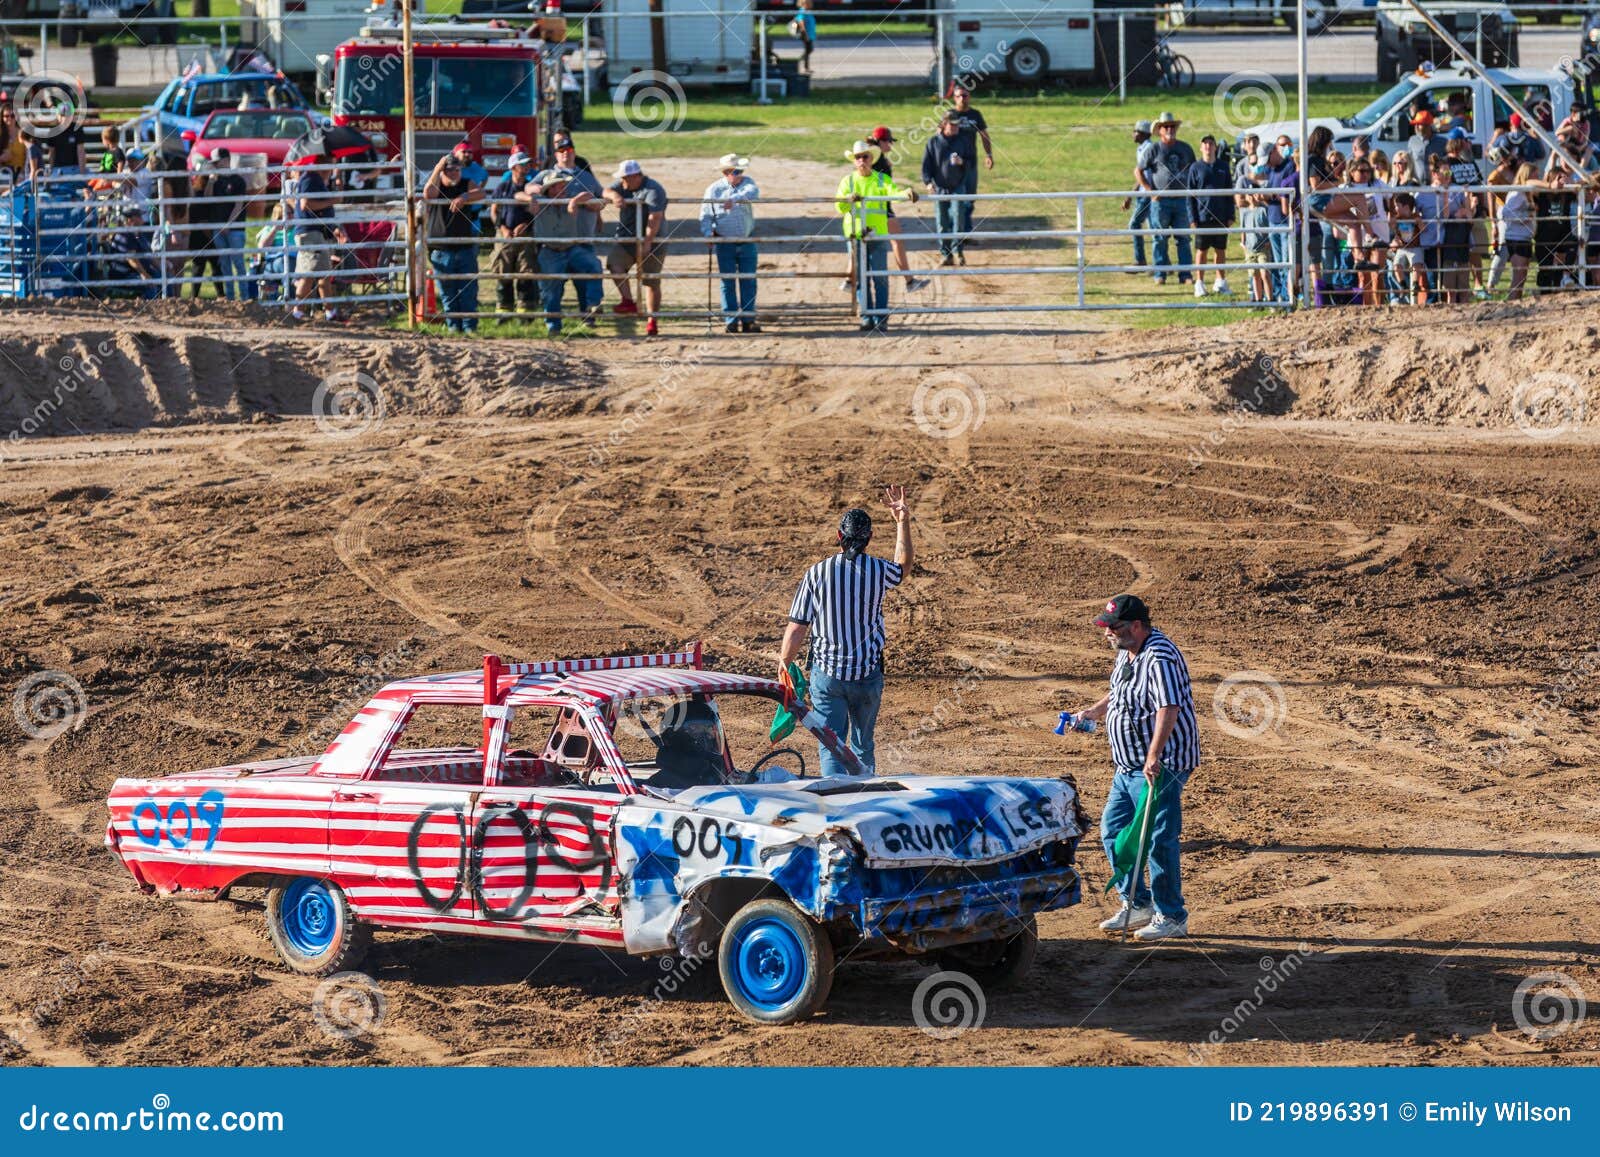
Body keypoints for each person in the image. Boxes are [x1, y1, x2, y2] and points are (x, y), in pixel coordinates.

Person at [1068, 594, 1199, 942]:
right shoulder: (1129, 653)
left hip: (1160, 768)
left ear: (1137, 626)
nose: (1108, 633)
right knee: (1112, 831)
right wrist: (1093, 713)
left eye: (1114, 627)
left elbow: (1167, 708)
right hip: (1127, 768)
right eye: (1106, 627)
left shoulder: (1159, 656)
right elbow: (1118, 694)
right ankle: (1137, 903)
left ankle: (1171, 915)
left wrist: (1154, 756)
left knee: (1158, 840)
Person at [778, 487, 913, 778]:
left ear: (839, 537)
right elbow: (903, 567)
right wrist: (902, 521)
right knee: (863, 745)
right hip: (867, 674)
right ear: (869, 540)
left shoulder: (816, 573)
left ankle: (836, 804)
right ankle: (864, 795)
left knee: (831, 746)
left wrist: (784, 665)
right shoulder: (879, 570)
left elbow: (798, 626)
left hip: (828, 676)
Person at [837, 139, 918, 333]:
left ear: (871, 158)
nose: (861, 160)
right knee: (862, 279)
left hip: (878, 235)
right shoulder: (847, 181)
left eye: (865, 156)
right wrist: (848, 200)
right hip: (856, 236)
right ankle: (866, 317)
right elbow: (839, 206)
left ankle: (881, 318)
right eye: (858, 157)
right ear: (854, 161)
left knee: (880, 278)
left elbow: (894, 193)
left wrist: (906, 193)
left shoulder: (881, 179)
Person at [527, 161, 604, 337]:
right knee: (551, 289)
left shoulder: (571, 199)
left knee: (593, 265)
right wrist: (531, 197)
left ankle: (593, 304)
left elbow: (588, 194)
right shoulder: (540, 203)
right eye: (558, 186)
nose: (562, 189)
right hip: (550, 250)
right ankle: (553, 324)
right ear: (550, 190)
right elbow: (520, 193)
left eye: (563, 185)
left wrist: (575, 201)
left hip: (572, 247)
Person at [603, 158, 668, 337]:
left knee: (650, 281)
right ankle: (628, 300)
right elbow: (605, 190)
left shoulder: (654, 189)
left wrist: (647, 242)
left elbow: (655, 217)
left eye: (625, 178)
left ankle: (652, 320)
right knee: (614, 264)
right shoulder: (623, 186)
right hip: (626, 238)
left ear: (636, 176)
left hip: (653, 240)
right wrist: (614, 196)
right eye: (622, 179)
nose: (622, 182)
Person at [423, 152, 485, 333]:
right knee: (447, 292)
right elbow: (428, 193)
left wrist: (464, 197)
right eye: (448, 169)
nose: (452, 173)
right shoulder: (437, 186)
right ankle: (453, 326)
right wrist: (437, 168)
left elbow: (481, 192)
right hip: (441, 249)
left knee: (468, 290)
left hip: (464, 246)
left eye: (456, 169)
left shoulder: (466, 184)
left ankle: (469, 327)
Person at [699, 153, 761, 334]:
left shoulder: (747, 183)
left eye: (739, 171)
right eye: (734, 171)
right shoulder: (713, 189)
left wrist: (733, 200)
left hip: (746, 239)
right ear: (726, 172)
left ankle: (748, 319)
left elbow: (753, 192)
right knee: (727, 281)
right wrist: (708, 233)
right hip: (724, 241)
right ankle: (731, 320)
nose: (737, 174)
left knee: (748, 280)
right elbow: (706, 214)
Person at [867, 126, 930, 293]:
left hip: (873, 207)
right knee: (897, 242)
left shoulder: (870, 158)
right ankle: (909, 281)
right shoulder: (880, 162)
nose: (891, 145)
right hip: (882, 207)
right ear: (880, 142)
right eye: (888, 141)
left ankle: (848, 280)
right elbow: (887, 187)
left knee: (861, 245)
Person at [1143, 111, 1196, 287]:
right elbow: (1138, 170)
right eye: (1166, 127)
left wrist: (1192, 192)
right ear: (1160, 130)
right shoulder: (1154, 149)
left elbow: (1194, 170)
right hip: (1161, 201)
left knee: (1184, 238)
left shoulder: (1185, 148)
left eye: (1172, 126)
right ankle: (1160, 273)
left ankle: (1186, 274)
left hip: (1182, 199)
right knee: (1160, 238)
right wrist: (1150, 191)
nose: (1170, 129)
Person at [922, 111, 976, 267]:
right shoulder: (933, 142)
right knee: (942, 222)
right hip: (939, 188)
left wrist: (962, 162)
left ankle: (958, 251)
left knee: (959, 218)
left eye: (957, 124)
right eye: (952, 125)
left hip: (958, 187)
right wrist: (928, 182)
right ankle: (946, 254)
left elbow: (971, 162)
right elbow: (926, 166)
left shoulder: (964, 141)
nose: (955, 127)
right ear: (943, 125)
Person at [490, 150, 538, 317]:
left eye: (528, 164)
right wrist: (502, 228)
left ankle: (525, 310)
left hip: (526, 234)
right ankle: (504, 309)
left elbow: (535, 210)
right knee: (503, 269)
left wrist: (526, 224)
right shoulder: (503, 187)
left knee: (526, 269)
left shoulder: (530, 186)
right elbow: (494, 209)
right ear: (513, 167)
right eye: (523, 164)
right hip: (505, 234)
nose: (527, 167)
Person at [1185, 134, 1234, 297]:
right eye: (1205, 144)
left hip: (1220, 215)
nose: (1208, 146)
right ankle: (1199, 283)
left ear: (1215, 147)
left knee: (1220, 250)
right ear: (1201, 147)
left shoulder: (1223, 166)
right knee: (1201, 250)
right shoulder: (1195, 167)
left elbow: (1230, 192)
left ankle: (1220, 281)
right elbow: (1190, 195)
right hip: (1202, 216)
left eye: (1211, 144)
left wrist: (1230, 214)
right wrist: (1192, 218)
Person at [946, 84, 992, 257]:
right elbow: (940, 136)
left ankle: (965, 233)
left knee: (969, 199)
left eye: (965, 95)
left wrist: (988, 154)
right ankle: (951, 235)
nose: (962, 99)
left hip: (970, 163)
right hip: (953, 165)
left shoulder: (975, 115)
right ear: (954, 98)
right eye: (958, 96)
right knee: (955, 200)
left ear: (969, 96)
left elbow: (985, 136)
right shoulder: (950, 115)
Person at [1125, 119, 1157, 271]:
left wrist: (1131, 195)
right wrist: (1131, 195)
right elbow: (1140, 175)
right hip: (1145, 193)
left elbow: (1143, 174)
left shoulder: (1148, 148)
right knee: (1154, 229)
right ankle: (1163, 264)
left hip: (1148, 194)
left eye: (1136, 131)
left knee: (1134, 224)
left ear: (1143, 134)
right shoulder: (1142, 149)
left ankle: (1140, 260)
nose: (1133, 134)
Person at [1388, 191, 1429, 306]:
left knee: (1416, 263)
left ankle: (1415, 284)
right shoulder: (1397, 218)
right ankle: (1402, 284)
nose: (1395, 208)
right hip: (1402, 248)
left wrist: (1419, 223)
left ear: (1406, 207)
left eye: (1397, 206)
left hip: (1415, 247)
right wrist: (1392, 222)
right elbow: (1390, 227)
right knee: (1397, 264)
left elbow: (1424, 230)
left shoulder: (1415, 217)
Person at [790, 0, 816, 76]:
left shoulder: (808, 11)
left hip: (810, 34)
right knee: (809, 50)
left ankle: (805, 65)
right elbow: (801, 22)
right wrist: (805, 34)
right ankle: (803, 64)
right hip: (806, 34)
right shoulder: (803, 11)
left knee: (808, 50)